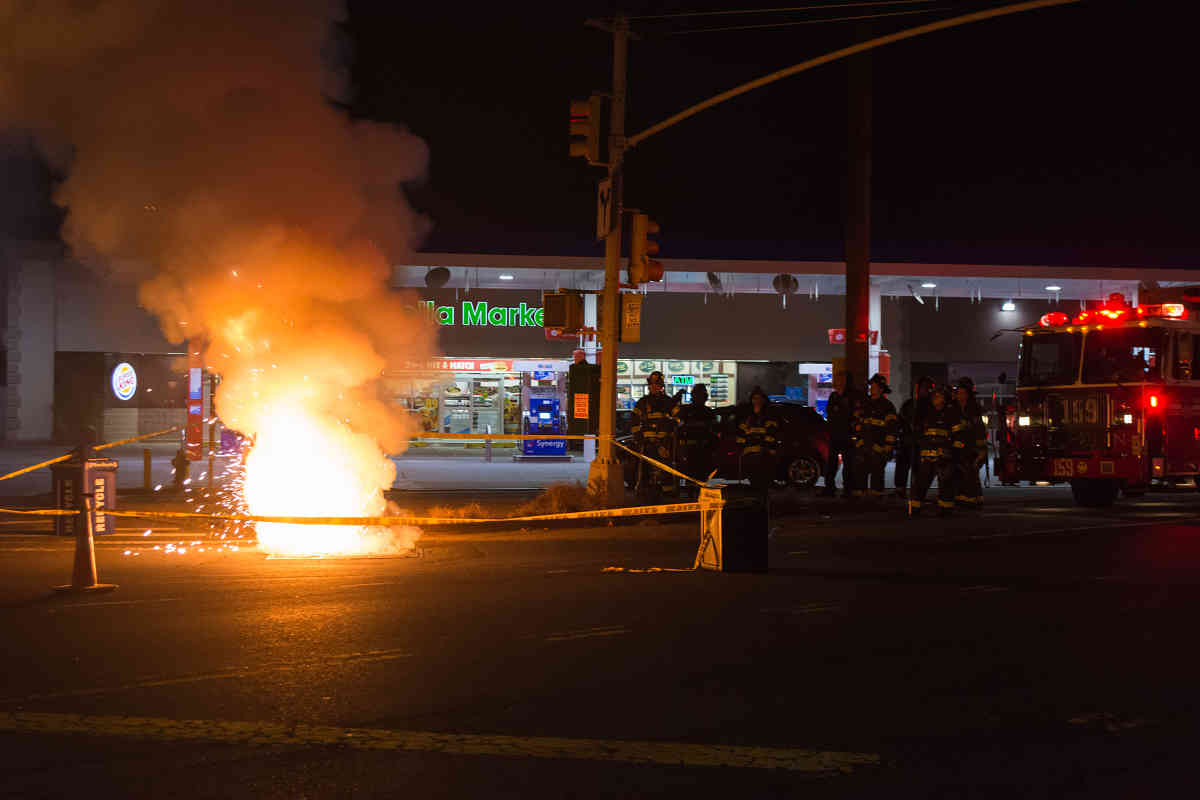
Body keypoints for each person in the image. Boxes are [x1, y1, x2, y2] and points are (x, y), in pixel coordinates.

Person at [909, 384, 962, 517]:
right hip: (927, 456)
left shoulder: (951, 414)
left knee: (945, 484)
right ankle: (915, 507)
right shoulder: (927, 413)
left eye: (938, 396)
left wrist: (953, 453)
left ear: (944, 398)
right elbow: (919, 434)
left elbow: (959, 436)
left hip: (944, 457)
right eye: (934, 396)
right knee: (921, 483)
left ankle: (946, 509)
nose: (935, 398)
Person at [851, 374, 898, 503]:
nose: (871, 388)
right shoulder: (864, 403)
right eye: (871, 386)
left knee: (877, 473)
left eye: (874, 386)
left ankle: (876, 499)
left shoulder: (887, 406)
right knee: (860, 471)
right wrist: (857, 434)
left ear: (881, 389)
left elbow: (892, 428)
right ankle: (859, 498)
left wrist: (888, 446)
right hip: (863, 445)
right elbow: (855, 421)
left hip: (878, 447)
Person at [632, 370, 678, 502]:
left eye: (656, 384)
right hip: (647, 444)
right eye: (651, 384)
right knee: (644, 470)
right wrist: (638, 438)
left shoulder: (669, 402)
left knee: (666, 470)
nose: (654, 387)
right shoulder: (642, 402)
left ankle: (668, 497)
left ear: (661, 386)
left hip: (664, 443)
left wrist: (670, 423)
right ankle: (643, 495)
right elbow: (634, 421)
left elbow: (678, 419)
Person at [673, 383, 718, 497]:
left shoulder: (708, 412)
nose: (699, 398)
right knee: (689, 474)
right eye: (698, 395)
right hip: (689, 449)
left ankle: (696, 494)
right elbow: (677, 427)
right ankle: (689, 493)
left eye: (701, 396)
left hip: (702, 449)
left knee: (700, 475)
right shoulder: (686, 410)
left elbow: (714, 431)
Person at [821, 370, 859, 497]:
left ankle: (848, 489)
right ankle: (829, 488)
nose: (837, 383)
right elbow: (830, 412)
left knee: (848, 464)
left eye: (840, 380)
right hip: (835, 434)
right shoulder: (834, 396)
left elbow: (851, 415)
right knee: (831, 463)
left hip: (847, 435)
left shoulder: (851, 397)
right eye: (837, 380)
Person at [894, 376, 933, 500]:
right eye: (922, 388)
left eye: (926, 388)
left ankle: (918, 491)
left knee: (920, 469)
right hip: (907, 441)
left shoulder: (930, 406)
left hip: (922, 443)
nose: (924, 391)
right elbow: (900, 421)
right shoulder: (908, 404)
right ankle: (900, 489)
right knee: (902, 464)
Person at [953, 377, 987, 509]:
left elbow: (979, 430)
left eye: (963, 393)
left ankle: (972, 499)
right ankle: (963, 497)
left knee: (970, 471)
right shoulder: (953, 408)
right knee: (959, 473)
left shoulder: (974, 409)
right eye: (959, 393)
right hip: (957, 446)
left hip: (972, 447)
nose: (960, 396)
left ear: (969, 394)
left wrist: (981, 450)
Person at [737, 386, 779, 493]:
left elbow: (771, 431)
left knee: (764, 482)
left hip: (765, 453)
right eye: (754, 398)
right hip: (750, 454)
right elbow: (742, 432)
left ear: (764, 400)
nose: (757, 401)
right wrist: (742, 443)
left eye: (759, 398)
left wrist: (756, 435)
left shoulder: (769, 415)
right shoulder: (748, 416)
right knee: (754, 482)